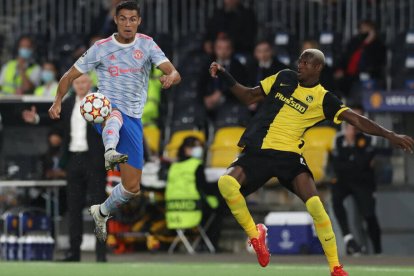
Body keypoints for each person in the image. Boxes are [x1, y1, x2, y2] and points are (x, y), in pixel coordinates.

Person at [208, 49, 413, 275]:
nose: (301, 64)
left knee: (316, 206)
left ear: (318, 68)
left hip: (289, 156)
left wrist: (390, 135)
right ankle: (256, 235)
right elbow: (248, 96)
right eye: (300, 60)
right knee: (225, 184)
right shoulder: (283, 77)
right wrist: (226, 75)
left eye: (306, 62)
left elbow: (356, 119)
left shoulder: (323, 98)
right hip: (259, 150)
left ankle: (336, 267)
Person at [48, 1, 181, 244]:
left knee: (132, 187)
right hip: (105, 109)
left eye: (132, 19)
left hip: (134, 120)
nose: (128, 23)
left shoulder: (147, 44)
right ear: (116, 20)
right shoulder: (101, 48)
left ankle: (102, 211)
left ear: (138, 21)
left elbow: (174, 72)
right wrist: (58, 101)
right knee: (114, 112)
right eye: (123, 19)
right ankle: (110, 150)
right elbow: (69, 76)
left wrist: (169, 77)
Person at [57, 74, 108, 262]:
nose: (80, 85)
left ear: (90, 83)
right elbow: (56, 122)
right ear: (73, 84)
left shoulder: (100, 101)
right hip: (73, 160)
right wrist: (37, 118)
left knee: (99, 209)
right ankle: (73, 253)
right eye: (77, 82)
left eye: (84, 82)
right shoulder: (69, 103)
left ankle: (101, 254)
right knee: (74, 207)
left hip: (94, 160)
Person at [330, 105, 382, 255]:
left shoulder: (369, 137)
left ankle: (378, 250)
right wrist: (350, 155)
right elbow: (336, 165)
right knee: (336, 199)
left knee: (369, 215)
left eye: (358, 117)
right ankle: (348, 239)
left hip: (364, 182)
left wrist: (351, 145)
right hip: (344, 181)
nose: (354, 121)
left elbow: (362, 164)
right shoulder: (339, 138)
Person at [166, 136, 223, 249]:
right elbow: (203, 188)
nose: (199, 149)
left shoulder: (173, 166)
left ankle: (201, 243)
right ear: (186, 149)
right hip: (193, 209)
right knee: (219, 208)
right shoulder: (196, 165)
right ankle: (210, 245)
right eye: (195, 146)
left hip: (173, 212)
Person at [335, 20, 386, 101]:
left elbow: (376, 63)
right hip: (348, 75)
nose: (363, 30)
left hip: (368, 74)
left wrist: (367, 43)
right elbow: (345, 57)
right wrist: (340, 69)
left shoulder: (378, 44)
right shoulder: (354, 41)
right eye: (361, 28)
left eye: (366, 28)